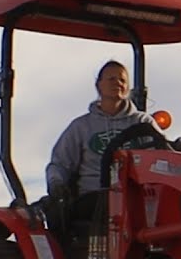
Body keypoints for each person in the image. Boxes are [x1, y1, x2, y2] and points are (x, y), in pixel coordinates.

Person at [44, 60, 154, 205]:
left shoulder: (142, 122)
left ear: (128, 88)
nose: (118, 83)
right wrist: (56, 184)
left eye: (122, 80)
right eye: (112, 79)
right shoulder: (81, 127)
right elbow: (60, 164)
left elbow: (160, 155)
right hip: (93, 199)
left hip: (136, 198)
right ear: (99, 85)